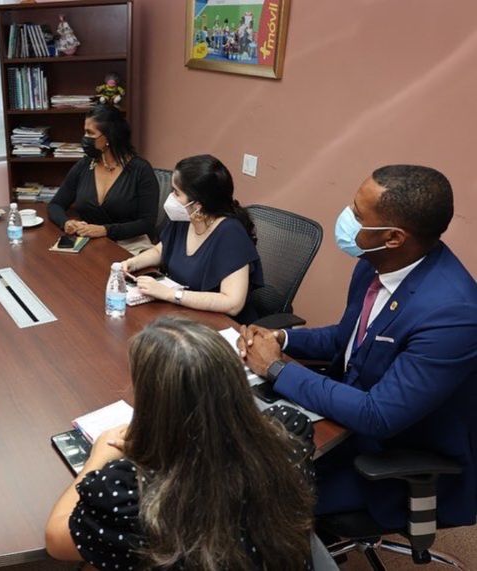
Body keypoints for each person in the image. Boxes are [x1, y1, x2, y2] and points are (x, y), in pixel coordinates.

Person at [237, 165, 477, 529]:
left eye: (357, 214)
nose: (346, 219)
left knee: (251, 499)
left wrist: (277, 368)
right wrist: (282, 340)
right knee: (230, 450)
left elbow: (379, 415)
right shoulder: (375, 263)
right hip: (341, 421)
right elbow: (346, 338)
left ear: (394, 237)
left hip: (386, 459)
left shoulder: (453, 314)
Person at [45, 316, 315, 570]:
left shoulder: (136, 497)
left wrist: (98, 457)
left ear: (156, 409)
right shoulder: (288, 433)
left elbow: (56, 539)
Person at [121, 155, 264, 323]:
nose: (171, 198)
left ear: (198, 204)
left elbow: (232, 303)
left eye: (176, 192)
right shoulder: (185, 217)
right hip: (182, 314)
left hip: (220, 326)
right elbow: (161, 250)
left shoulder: (230, 234)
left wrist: (169, 294)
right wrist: (133, 263)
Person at [48, 104, 159, 253]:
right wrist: (66, 222)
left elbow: (147, 223)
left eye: (90, 133)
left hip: (130, 246)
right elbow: (55, 204)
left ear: (109, 136)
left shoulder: (141, 170)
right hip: (89, 245)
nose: (85, 139)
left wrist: (105, 230)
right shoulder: (84, 165)